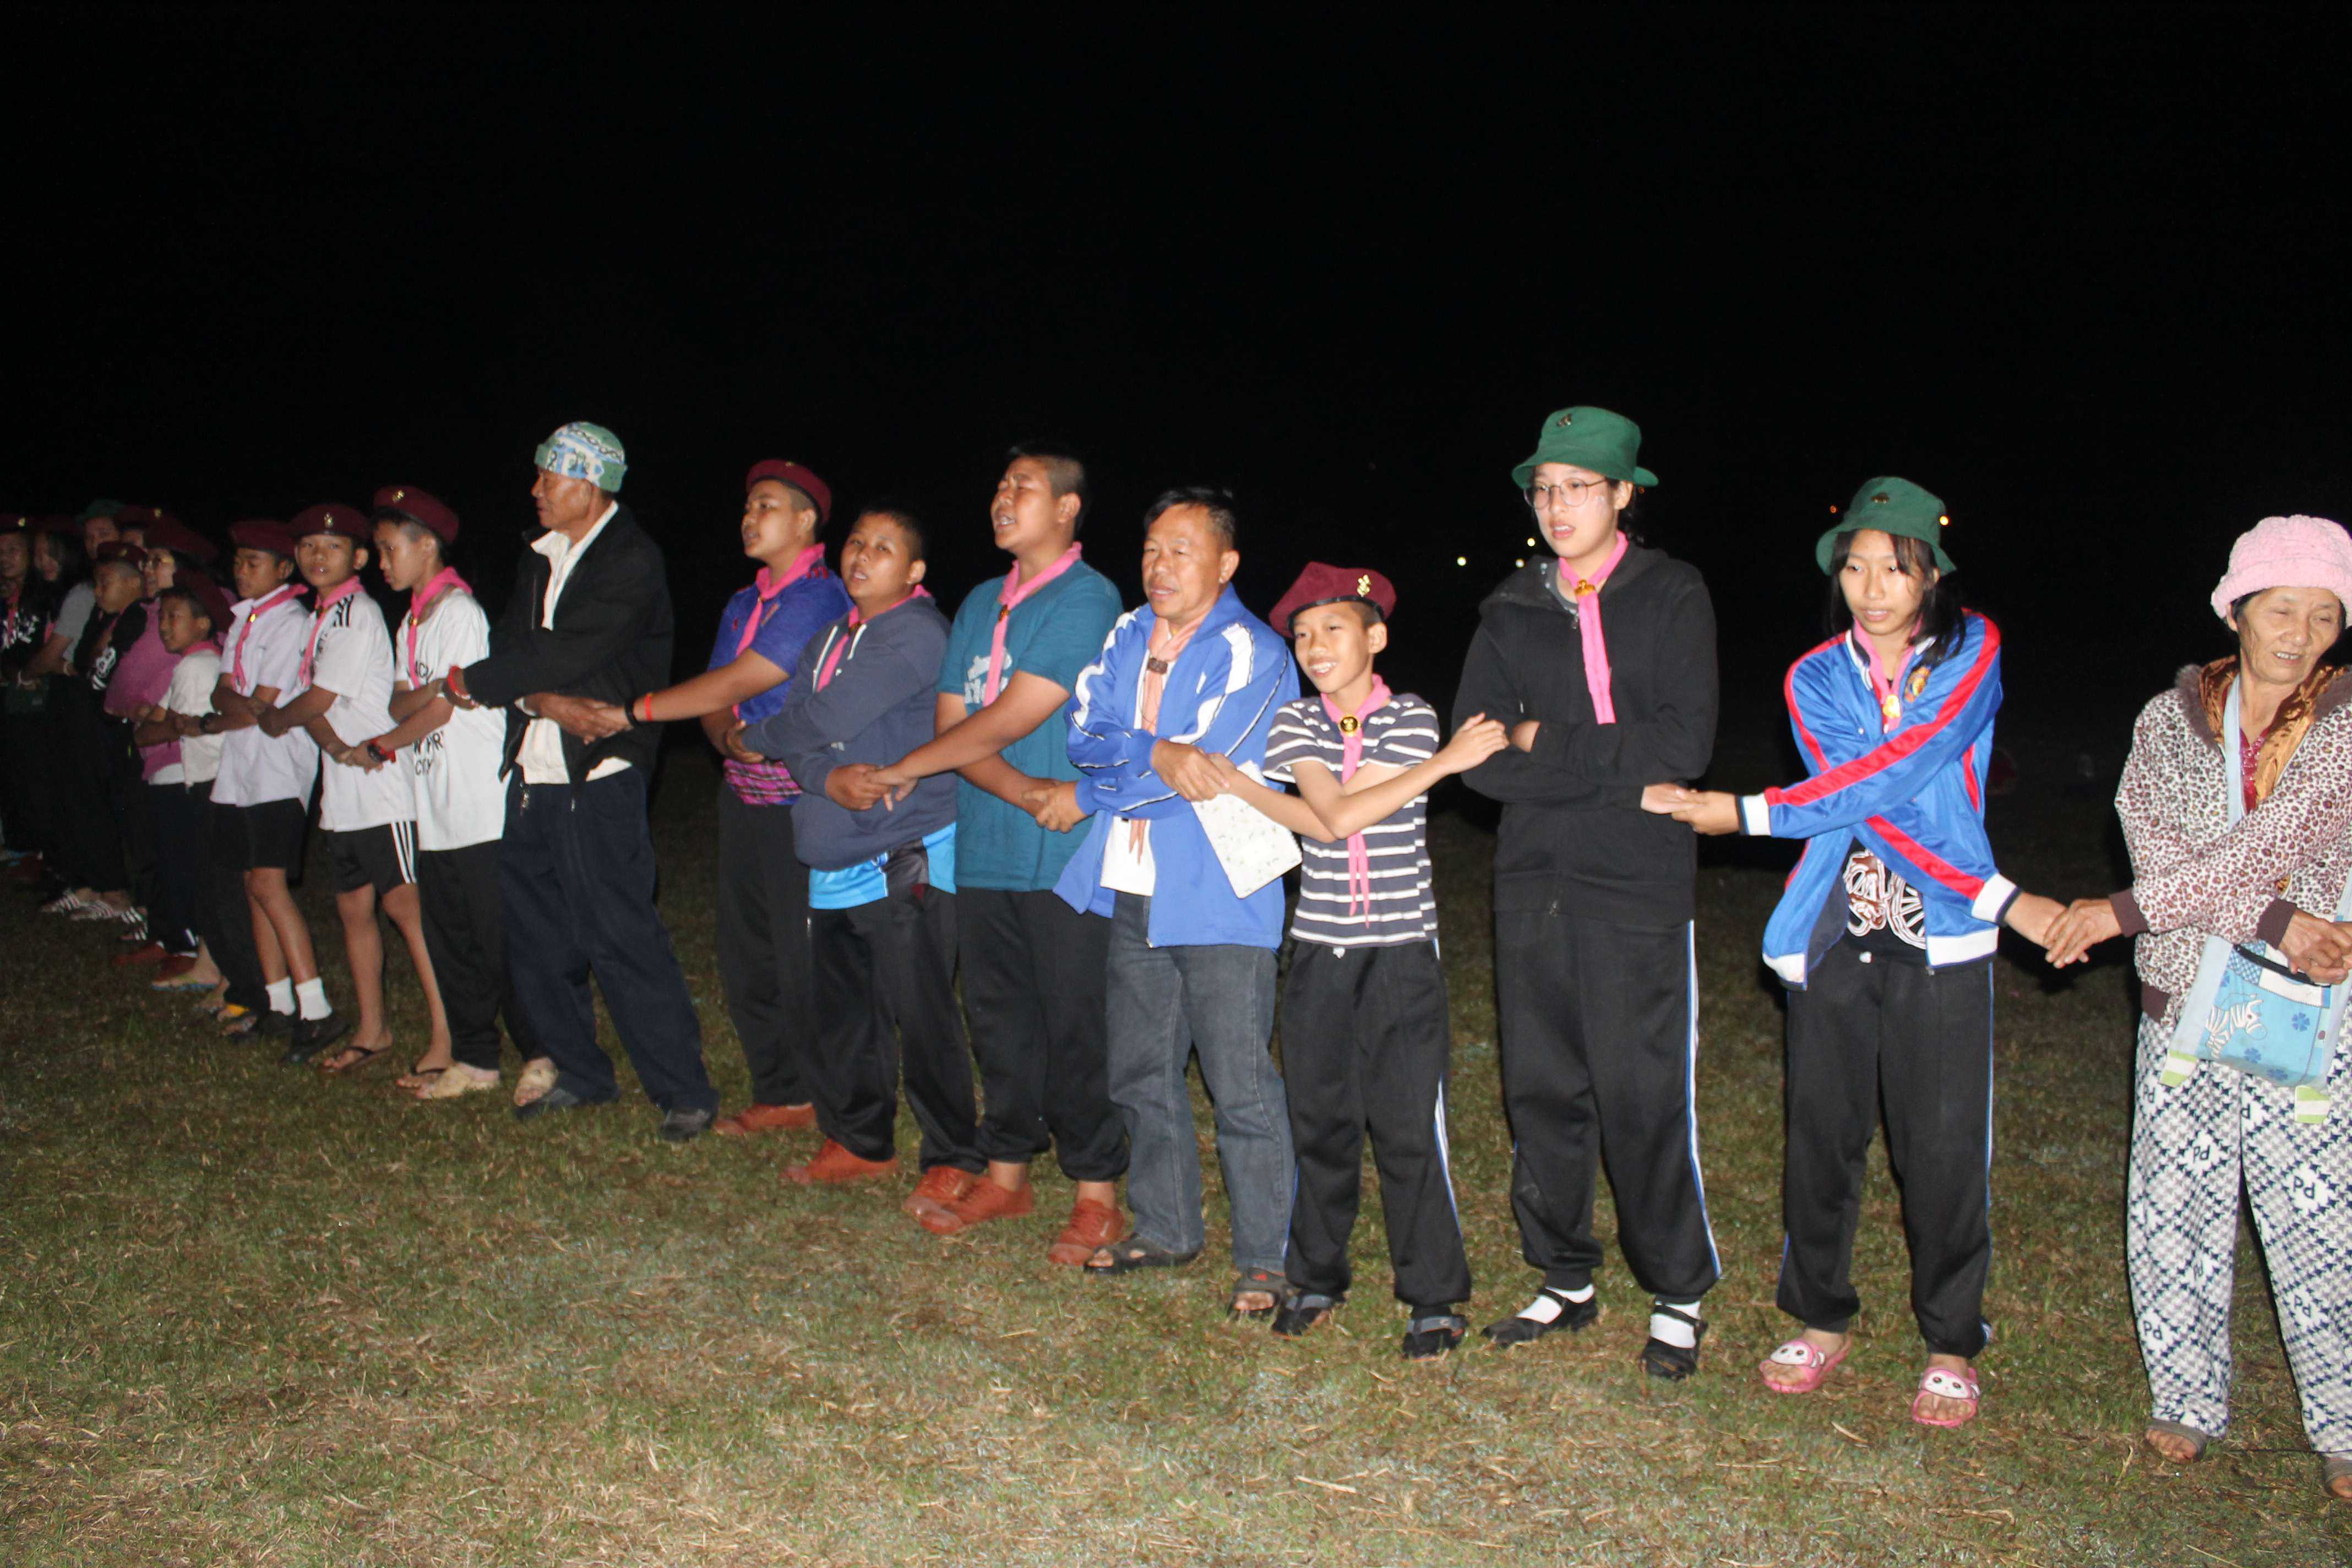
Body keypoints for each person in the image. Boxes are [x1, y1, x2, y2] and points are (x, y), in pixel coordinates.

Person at [1658, 478, 2062, 1425]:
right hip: (1837, 930)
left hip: (1942, 935)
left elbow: (1902, 771)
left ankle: (1951, 1338)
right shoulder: (1814, 676)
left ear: (1932, 575)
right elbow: (1864, 797)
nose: (1873, 589)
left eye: (1895, 568)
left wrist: (1750, 812)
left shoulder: (1972, 648)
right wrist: (2007, 896)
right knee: (1822, 1136)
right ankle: (1820, 1316)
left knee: (1943, 1147)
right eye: (1855, 568)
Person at [2039, 513, 2352, 1500]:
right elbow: (2159, 848)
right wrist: (2277, 918)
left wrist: (2119, 912)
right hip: (2182, 1000)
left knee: (2319, 1217)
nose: (2299, 633)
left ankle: (2346, 1420)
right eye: (2280, 608)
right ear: (2236, 608)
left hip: (2306, 1009)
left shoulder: (2344, 726)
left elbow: (2270, 842)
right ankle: (2184, 1396)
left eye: (2324, 613)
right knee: (2175, 1204)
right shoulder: (2165, 721)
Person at [1453, 406, 1718, 1378]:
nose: (1556, 506)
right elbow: (1479, 754)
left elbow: (1682, 744)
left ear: (1623, 494)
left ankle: (1677, 1289)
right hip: (1533, 878)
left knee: (1642, 1093)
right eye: (1543, 490)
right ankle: (1564, 1272)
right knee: (1540, 1089)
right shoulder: (1510, 608)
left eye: (1577, 488)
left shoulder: (1673, 594)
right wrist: (1608, 774)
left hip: (1638, 882)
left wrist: (1543, 741)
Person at [1206, 563, 1508, 1357]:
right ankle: (1315, 1276)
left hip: (1400, 952)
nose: (1314, 646)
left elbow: (1333, 815)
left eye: (1333, 629)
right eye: (1302, 634)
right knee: (1321, 1124)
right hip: (1320, 954)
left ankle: (1433, 1294)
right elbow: (1334, 818)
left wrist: (1429, 761)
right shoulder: (1295, 724)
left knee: (1409, 1127)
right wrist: (1444, 767)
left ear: (1375, 637)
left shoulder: (1411, 715)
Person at [863, 447, 1131, 1257]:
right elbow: (957, 724)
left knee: (1075, 1020)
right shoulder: (982, 600)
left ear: (1068, 508)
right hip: (988, 841)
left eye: (1025, 488)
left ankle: (1096, 1189)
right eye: (1001, 486)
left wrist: (910, 767)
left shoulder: (1090, 597)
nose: (1003, 498)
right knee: (999, 1016)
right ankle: (1008, 1174)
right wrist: (1019, 791)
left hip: (1065, 851)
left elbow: (1019, 712)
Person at [1041, 487, 1299, 1318]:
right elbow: (1084, 734)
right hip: (1135, 883)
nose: (1160, 566)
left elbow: (1209, 771)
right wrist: (1156, 749)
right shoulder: (1128, 632)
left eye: (1182, 550)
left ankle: (1267, 1260)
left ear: (1226, 563)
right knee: (1140, 1070)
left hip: (1222, 890)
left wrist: (1112, 781)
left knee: (1239, 1080)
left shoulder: (1254, 650)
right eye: (1152, 548)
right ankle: (1166, 1227)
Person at [443, 421, 718, 1142]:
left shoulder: (630, 560)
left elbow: (565, 655)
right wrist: (538, 697)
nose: (535, 488)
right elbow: (519, 650)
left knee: (619, 931)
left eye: (550, 475)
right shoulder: (540, 556)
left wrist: (472, 682)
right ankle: (581, 1071)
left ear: (590, 483)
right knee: (534, 935)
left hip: (597, 772)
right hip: (533, 768)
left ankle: (683, 1090)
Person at [576, 460, 850, 1134]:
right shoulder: (743, 602)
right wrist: (727, 737)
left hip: (804, 801)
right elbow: (716, 694)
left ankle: (831, 1092)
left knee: (803, 954)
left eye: (767, 505)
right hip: (744, 795)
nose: (750, 518)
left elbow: (743, 679)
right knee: (746, 952)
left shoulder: (819, 596)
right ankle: (781, 1090)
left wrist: (632, 712)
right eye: (748, 506)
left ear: (807, 520)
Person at [737, 506, 986, 1210]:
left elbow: (824, 718)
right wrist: (827, 779)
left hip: (903, 846)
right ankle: (860, 1140)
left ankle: (953, 1151)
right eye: (855, 542)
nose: (862, 555)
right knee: (845, 1008)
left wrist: (752, 737)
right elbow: (809, 740)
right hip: (834, 851)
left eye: (883, 547)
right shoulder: (828, 638)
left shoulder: (917, 633)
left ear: (914, 571)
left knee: (920, 1006)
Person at [351, 485, 547, 1101]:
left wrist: (385, 744)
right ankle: (476, 1058)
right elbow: (401, 699)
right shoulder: (412, 620)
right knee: (452, 940)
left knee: (500, 940)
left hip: (478, 805)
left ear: (428, 546)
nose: (383, 562)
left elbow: (441, 707)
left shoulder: (459, 612)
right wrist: (427, 695)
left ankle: (542, 1051)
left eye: (390, 549)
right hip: (434, 807)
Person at [259, 502, 444, 1072]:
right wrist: (335, 746)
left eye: (333, 547)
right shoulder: (318, 618)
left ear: (359, 558)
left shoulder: (354, 613)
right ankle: (373, 1029)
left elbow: (315, 699)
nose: (318, 555)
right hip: (343, 793)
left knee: (406, 908)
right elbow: (318, 707)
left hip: (383, 788)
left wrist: (277, 719)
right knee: (353, 909)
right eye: (308, 546)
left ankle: (448, 1035)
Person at [202, 520, 326, 1044]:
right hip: (240, 769)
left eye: (253, 562)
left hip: (278, 769)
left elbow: (264, 703)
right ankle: (278, 1003)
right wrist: (236, 708)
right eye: (238, 561)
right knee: (253, 885)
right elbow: (222, 694)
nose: (241, 570)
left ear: (283, 568)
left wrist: (235, 709)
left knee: (270, 885)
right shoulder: (243, 620)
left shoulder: (291, 622)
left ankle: (316, 1009)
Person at [104, 515, 219, 968]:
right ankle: (172, 933)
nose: (148, 570)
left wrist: (152, 718)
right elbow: (121, 692)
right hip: (163, 757)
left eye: (158, 561)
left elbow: (168, 718)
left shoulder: (203, 626)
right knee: (165, 852)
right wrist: (147, 715)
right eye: (147, 561)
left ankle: (187, 940)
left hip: (188, 763)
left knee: (183, 857)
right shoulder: (152, 617)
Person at [128, 574, 233, 988]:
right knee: (205, 875)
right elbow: (150, 731)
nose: (164, 626)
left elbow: (159, 728)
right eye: (161, 618)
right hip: (205, 779)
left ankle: (219, 966)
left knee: (206, 876)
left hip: (209, 780)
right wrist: (165, 724)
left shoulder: (196, 667)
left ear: (202, 623)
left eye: (174, 617)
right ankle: (209, 963)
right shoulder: (192, 665)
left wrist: (165, 725)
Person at [44, 541, 150, 932]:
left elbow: (104, 673)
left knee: (125, 816)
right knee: (87, 803)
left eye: (106, 583)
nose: (98, 591)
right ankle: (98, 886)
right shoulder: (105, 617)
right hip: (93, 726)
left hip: (119, 732)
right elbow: (85, 662)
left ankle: (125, 896)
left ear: (133, 583)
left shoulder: (138, 619)